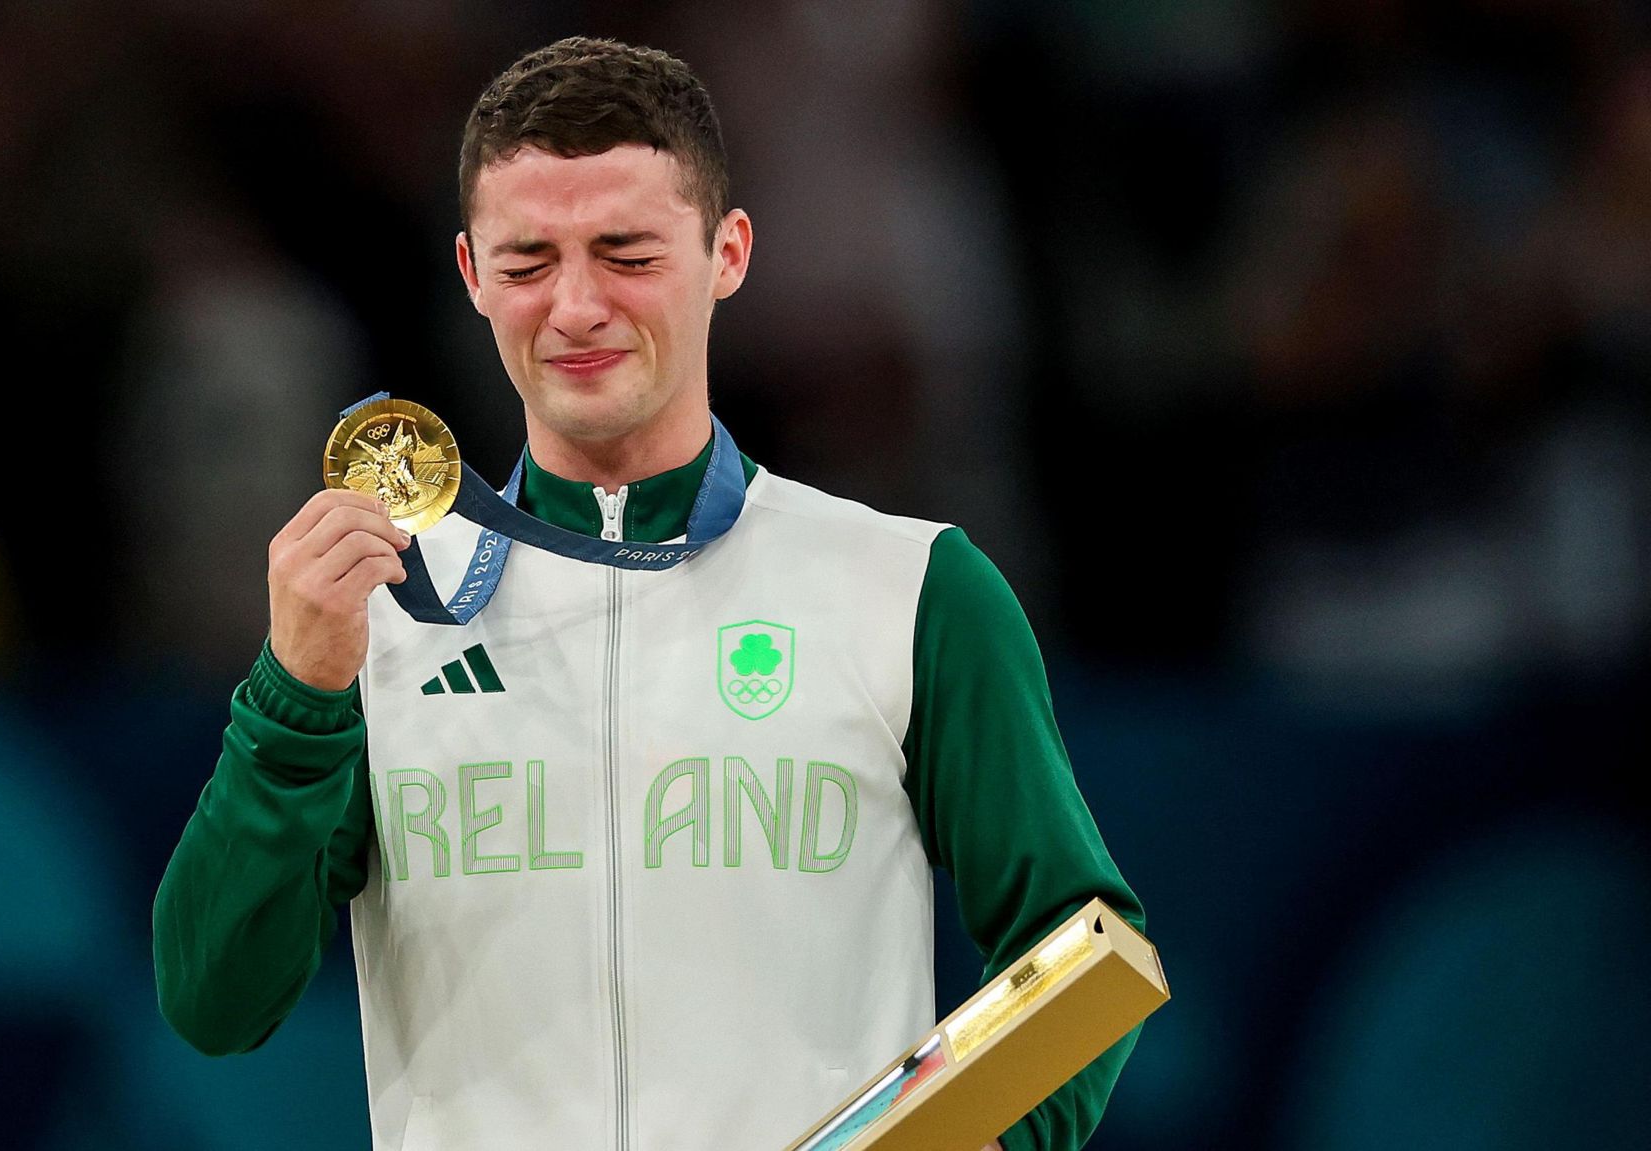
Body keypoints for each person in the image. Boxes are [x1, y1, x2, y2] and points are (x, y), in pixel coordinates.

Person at [153, 36, 1145, 1151]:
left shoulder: (910, 585)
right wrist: (292, 695)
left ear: (726, 252)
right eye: (527, 263)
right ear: (472, 275)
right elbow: (213, 1003)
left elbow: (1085, 947)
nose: (573, 307)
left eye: (624, 253)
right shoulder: (379, 609)